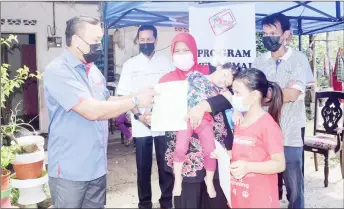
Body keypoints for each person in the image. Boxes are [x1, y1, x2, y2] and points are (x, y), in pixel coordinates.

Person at [43, 16, 155, 208]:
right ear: (77, 41)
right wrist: (135, 100)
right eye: (95, 41)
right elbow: (92, 110)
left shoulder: (92, 70)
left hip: (97, 168)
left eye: (100, 41)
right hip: (70, 172)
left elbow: (106, 100)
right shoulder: (58, 71)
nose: (99, 46)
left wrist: (137, 94)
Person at [156, 33, 235, 209]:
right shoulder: (166, 81)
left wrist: (203, 106)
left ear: (194, 50)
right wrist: (150, 116)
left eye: (186, 50)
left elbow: (231, 96)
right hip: (185, 161)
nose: (182, 54)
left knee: (216, 202)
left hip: (215, 153)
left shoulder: (211, 71)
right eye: (177, 51)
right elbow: (160, 113)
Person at [253, 13, 310, 208]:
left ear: (286, 34)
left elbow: (293, 95)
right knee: (266, 181)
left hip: (290, 131)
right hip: (264, 132)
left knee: (294, 185)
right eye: (265, 33)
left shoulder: (299, 60)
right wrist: (279, 91)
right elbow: (252, 95)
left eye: (273, 33)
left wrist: (266, 91)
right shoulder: (259, 61)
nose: (268, 37)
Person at [116, 25, 174, 209]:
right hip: (141, 123)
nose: (146, 43)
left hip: (163, 122)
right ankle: (145, 204)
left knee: (166, 167)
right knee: (143, 168)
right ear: (138, 41)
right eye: (142, 40)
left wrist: (160, 113)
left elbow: (173, 93)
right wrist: (139, 116)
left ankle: (166, 202)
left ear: (156, 40)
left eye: (149, 39)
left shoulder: (167, 63)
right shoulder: (130, 65)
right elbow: (124, 95)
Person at [212, 68, 286, 208]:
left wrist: (248, 167)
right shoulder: (241, 121)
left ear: (254, 96)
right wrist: (225, 156)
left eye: (238, 93)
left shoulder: (267, 125)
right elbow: (245, 153)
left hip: (260, 199)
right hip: (238, 195)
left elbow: (279, 164)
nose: (234, 97)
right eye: (233, 92)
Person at [173, 65, 239, 198]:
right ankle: (177, 179)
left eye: (227, 83)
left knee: (210, 151)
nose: (223, 81)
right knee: (180, 148)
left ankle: (209, 181)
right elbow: (178, 92)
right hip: (187, 118)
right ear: (220, 67)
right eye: (225, 75)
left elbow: (233, 101)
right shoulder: (195, 75)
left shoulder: (222, 91)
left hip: (205, 121)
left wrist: (237, 112)